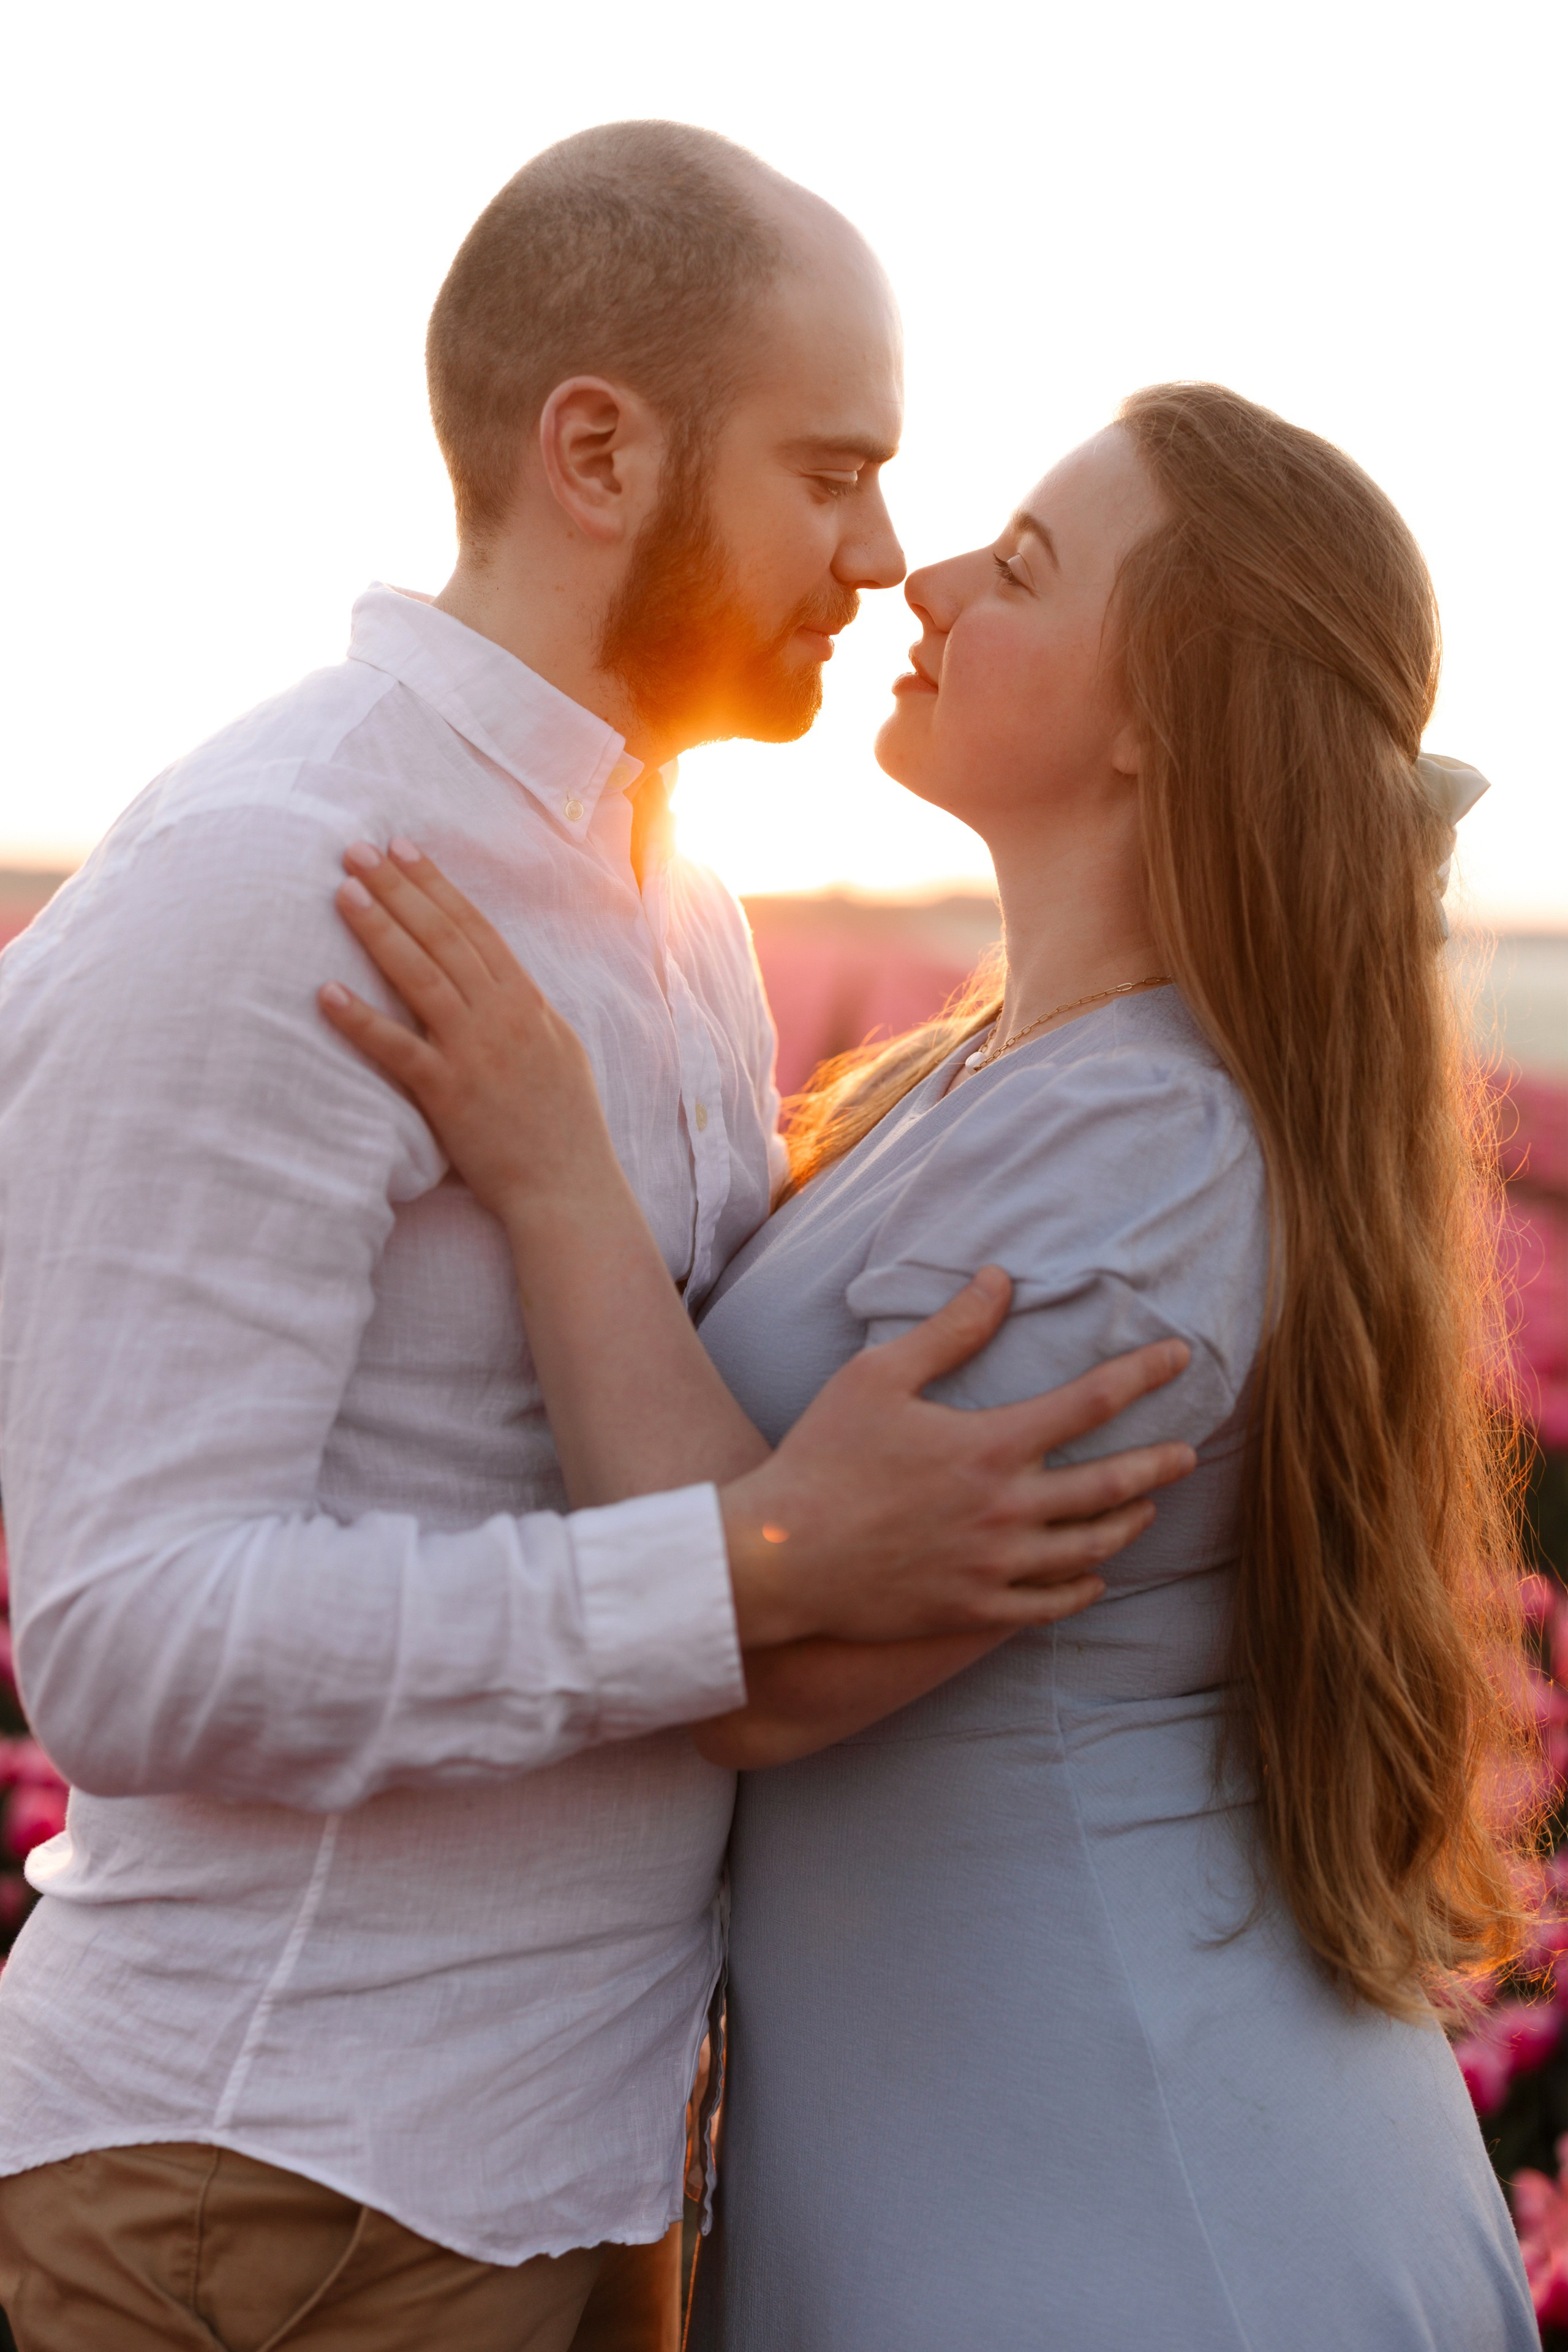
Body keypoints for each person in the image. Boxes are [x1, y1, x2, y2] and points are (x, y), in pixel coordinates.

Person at [0, 127, 1192, 2352]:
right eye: (830, 473)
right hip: (268, 2189)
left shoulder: (677, 898)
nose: (884, 555)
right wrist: (754, 1571)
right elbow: (123, 1639)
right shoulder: (278, 874)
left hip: (579, 2166)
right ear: (599, 450)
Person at [318, 382, 1541, 2348]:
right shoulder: (1003, 1076)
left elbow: (775, 1657)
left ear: (1160, 720)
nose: (930, 577)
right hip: (994, 2142)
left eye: (1029, 568)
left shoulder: (1144, 1151)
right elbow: (769, 1546)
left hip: (1129, 2206)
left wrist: (551, 1161)